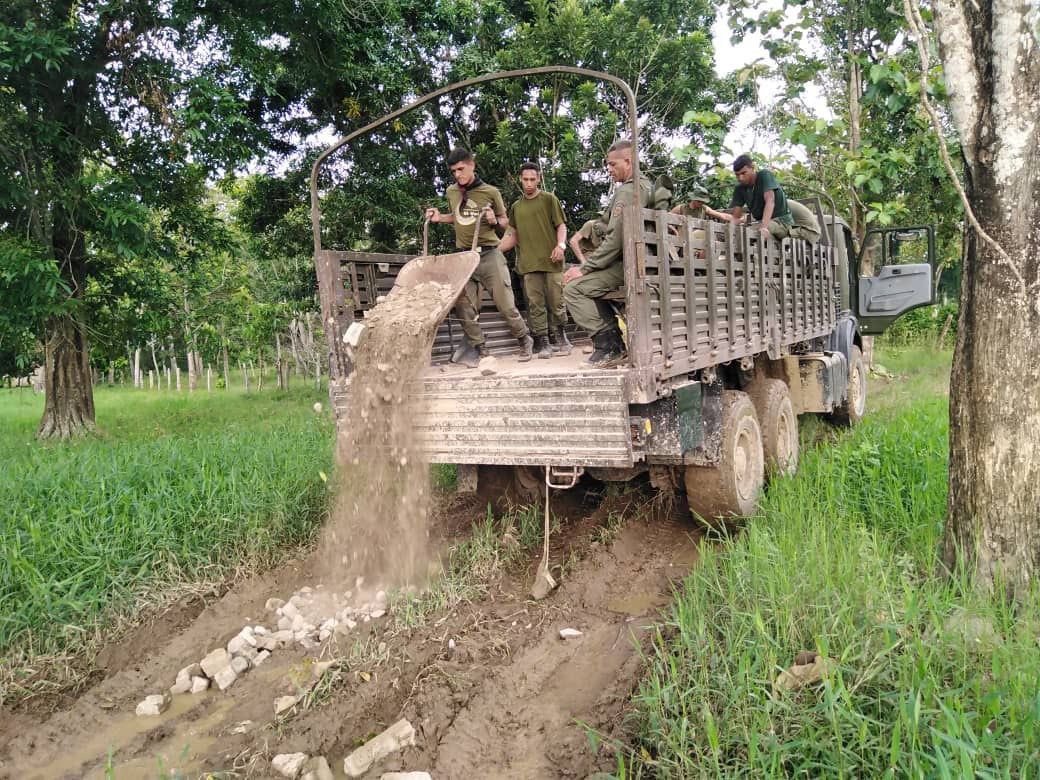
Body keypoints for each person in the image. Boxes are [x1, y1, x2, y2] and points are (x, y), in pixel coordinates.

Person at [425, 147, 534, 366]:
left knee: (505, 303)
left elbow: (506, 223)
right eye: (454, 171)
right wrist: (439, 218)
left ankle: (524, 338)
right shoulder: (451, 192)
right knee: (464, 306)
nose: (457, 175)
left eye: (461, 169)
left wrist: (495, 220)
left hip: (489, 254)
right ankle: (480, 349)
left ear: (472, 165)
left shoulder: (490, 192)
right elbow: (459, 217)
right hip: (464, 258)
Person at [562, 139, 653, 367]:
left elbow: (615, 242)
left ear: (628, 162)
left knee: (573, 289)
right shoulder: (645, 186)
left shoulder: (628, 192)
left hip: (627, 264)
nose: (609, 170)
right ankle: (612, 340)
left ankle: (609, 345)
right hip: (638, 260)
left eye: (613, 165)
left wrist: (584, 268)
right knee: (579, 282)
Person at [499, 162, 571, 359]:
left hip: (552, 261)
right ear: (520, 180)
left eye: (532, 179)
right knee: (535, 304)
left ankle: (562, 337)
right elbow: (512, 234)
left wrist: (561, 245)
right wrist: (495, 251)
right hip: (529, 265)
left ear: (538, 179)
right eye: (525, 180)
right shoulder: (516, 207)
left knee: (557, 301)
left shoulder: (549, 200)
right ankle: (544, 343)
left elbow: (561, 226)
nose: (529, 183)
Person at [727, 154, 795, 241]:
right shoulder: (739, 189)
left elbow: (770, 200)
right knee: (732, 234)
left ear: (753, 168)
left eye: (744, 173)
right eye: (737, 175)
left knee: (748, 234)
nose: (740, 178)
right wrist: (729, 230)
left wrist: (764, 227)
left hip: (781, 222)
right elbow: (736, 217)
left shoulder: (764, 175)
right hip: (761, 224)